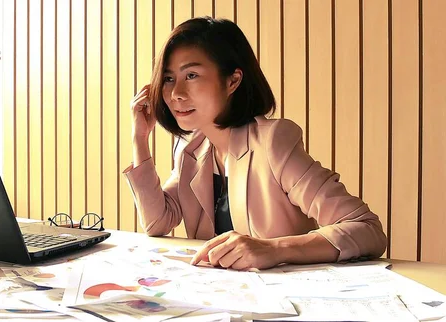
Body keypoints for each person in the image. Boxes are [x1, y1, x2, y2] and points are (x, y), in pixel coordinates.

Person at [123, 17, 387, 270]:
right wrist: (140, 138)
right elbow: (158, 222)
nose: (176, 94)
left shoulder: (272, 143)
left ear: (232, 81)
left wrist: (274, 249)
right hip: (220, 298)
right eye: (169, 79)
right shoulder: (191, 149)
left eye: (191, 75)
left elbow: (366, 229)